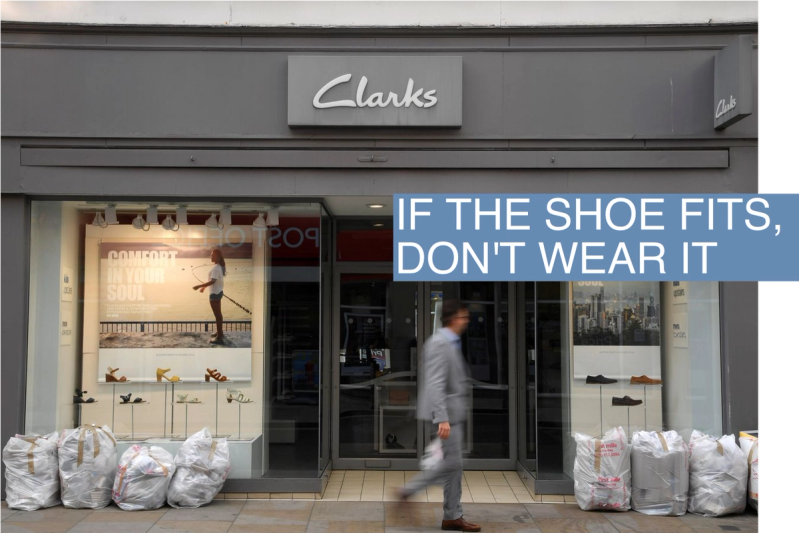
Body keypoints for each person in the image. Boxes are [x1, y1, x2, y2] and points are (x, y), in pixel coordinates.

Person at [398, 299, 480, 532]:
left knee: (455, 466)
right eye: (464, 317)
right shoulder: (438, 343)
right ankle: (408, 491)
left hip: (452, 415)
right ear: (454, 318)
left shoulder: (450, 343)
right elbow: (435, 383)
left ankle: (452, 516)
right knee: (453, 463)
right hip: (446, 417)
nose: (466, 321)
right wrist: (441, 417)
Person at [192, 248, 226, 344]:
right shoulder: (218, 266)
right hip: (218, 292)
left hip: (215, 294)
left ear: (217, 256)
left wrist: (199, 286)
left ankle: (219, 336)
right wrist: (204, 288)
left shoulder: (215, 268)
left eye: (212, 255)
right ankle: (220, 332)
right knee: (218, 315)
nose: (210, 256)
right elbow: (214, 281)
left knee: (217, 315)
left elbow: (212, 281)